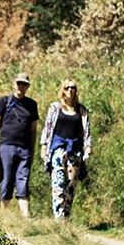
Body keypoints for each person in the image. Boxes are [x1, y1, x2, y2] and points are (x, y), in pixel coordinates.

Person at [40, 79, 92, 220]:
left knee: (71, 184)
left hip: (74, 150)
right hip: (58, 149)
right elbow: (48, 127)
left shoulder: (81, 110)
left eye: (73, 88)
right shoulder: (55, 108)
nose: (70, 90)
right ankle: (58, 217)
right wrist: (43, 146)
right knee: (58, 182)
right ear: (62, 90)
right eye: (67, 87)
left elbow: (86, 131)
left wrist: (88, 148)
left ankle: (66, 215)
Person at [0, 72, 39, 217]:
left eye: (24, 84)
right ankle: (4, 215)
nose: (21, 86)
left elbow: (33, 130)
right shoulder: (4, 101)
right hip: (6, 145)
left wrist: (32, 149)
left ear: (27, 86)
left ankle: (25, 216)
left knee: (23, 179)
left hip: (24, 148)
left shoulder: (32, 105)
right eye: (19, 83)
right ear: (14, 84)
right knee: (6, 178)